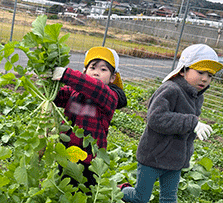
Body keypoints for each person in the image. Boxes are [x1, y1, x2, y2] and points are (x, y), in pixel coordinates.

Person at [119, 43, 223, 203]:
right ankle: (120, 190)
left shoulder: (197, 96)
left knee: (169, 199)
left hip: (175, 160)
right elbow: (156, 118)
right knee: (140, 198)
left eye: (210, 75)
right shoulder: (171, 89)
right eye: (200, 72)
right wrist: (191, 123)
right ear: (183, 70)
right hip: (152, 157)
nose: (205, 78)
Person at [52, 46, 127, 188]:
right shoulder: (74, 92)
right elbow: (57, 96)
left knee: (85, 193)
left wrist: (66, 74)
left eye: (103, 69)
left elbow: (95, 88)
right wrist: (48, 83)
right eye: (92, 68)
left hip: (89, 160)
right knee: (63, 188)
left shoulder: (110, 96)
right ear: (85, 71)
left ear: (112, 78)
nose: (96, 73)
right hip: (66, 152)